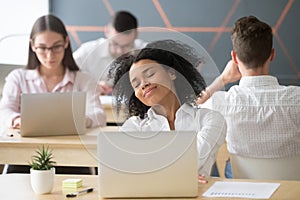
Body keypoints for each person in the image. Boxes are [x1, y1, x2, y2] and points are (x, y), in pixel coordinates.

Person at [108, 39, 227, 182]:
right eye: (136, 84)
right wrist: (179, 176)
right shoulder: (133, 128)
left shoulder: (209, 119)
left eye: (150, 74)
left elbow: (194, 160)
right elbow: (125, 171)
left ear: (172, 73)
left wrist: (153, 172)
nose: (144, 84)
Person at [0, 14, 106, 173]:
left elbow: (99, 115)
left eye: (56, 47)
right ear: (33, 46)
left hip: (72, 157)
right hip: (25, 156)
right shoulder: (18, 78)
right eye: (42, 48)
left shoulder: (84, 80)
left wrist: (82, 120)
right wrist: (17, 120)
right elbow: (4, 111)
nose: (50, 55)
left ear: (66, 42)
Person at [198, 16, 300, 173]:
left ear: (234, 58)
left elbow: (189, 109)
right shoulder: (297, 98)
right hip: (292, 191)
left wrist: (222, 79)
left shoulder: (220, 102)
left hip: (242, 189)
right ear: (272, 55)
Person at [73, 10, 146, 95]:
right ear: (107, 31)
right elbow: (64, 74)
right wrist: (90, 85)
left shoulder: (145, 52)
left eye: (127, 46)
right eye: (115, 44)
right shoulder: (87, 52)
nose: (120, 51)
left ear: (136, 35)